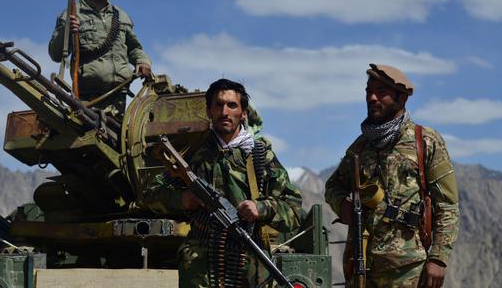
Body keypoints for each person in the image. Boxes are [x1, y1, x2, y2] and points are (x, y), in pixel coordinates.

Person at [144, 78, 303, 287]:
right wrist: (181, 198)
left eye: (232, 105)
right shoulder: (191, 154)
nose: (225, 112)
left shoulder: (260, 156)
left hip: (249, 263)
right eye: (218, 105)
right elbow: (150, 194)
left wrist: (261, 208)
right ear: (209, 111)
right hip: (201, 266)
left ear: (244, 113)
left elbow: (294, 209)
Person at [325, 64, 459, 288]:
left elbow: (447, 205)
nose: (372, 97)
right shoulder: (359, 148)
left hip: (408, 270)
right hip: (361, 268)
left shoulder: (425, 141)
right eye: (368, 91)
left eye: (382, 92)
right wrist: (343, 206)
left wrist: (438, 258)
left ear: (402, 98)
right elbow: (333, 186)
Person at [49, 0, 152, 117]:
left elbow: (134, 48)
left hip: (119, 94)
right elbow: (55, 55)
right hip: (87, 97)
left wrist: (143, 62)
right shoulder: (72, 13)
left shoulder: (121, 16)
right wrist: (66, 31)